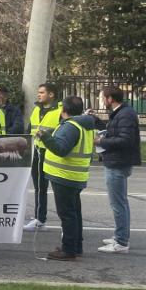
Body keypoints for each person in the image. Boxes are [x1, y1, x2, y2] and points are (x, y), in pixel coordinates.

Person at [38, 96, 96, 261]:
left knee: (67, 214)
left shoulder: (70, 126)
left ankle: (69, 249)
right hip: (75, 175)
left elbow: (61, 149)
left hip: (64, 176)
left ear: (64, 110)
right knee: (74, 212)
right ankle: (75, 246)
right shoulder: (84, 125)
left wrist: (45, 137)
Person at [96, 86, 141, 254]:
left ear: (110, 99)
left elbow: (125, 140)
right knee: (120, 202)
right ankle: (120, 236)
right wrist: (97, 122)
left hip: (118, 163)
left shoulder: (125, 114)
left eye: (102, 97)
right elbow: (115, 132)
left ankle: (121, 242)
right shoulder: (120, 113)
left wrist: (100, 142)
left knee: (118, 204)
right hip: (116, 161)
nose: (101, 100)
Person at [24, 83, 61, 232]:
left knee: (58, 188)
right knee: (40, 187)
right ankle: (40, 218)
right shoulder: (37, 109)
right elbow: (30, 130)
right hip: (37, 152)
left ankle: (64, 220)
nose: (38, 95)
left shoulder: (60, 111)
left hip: (52, 153)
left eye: (41, 92)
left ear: (51, 94)